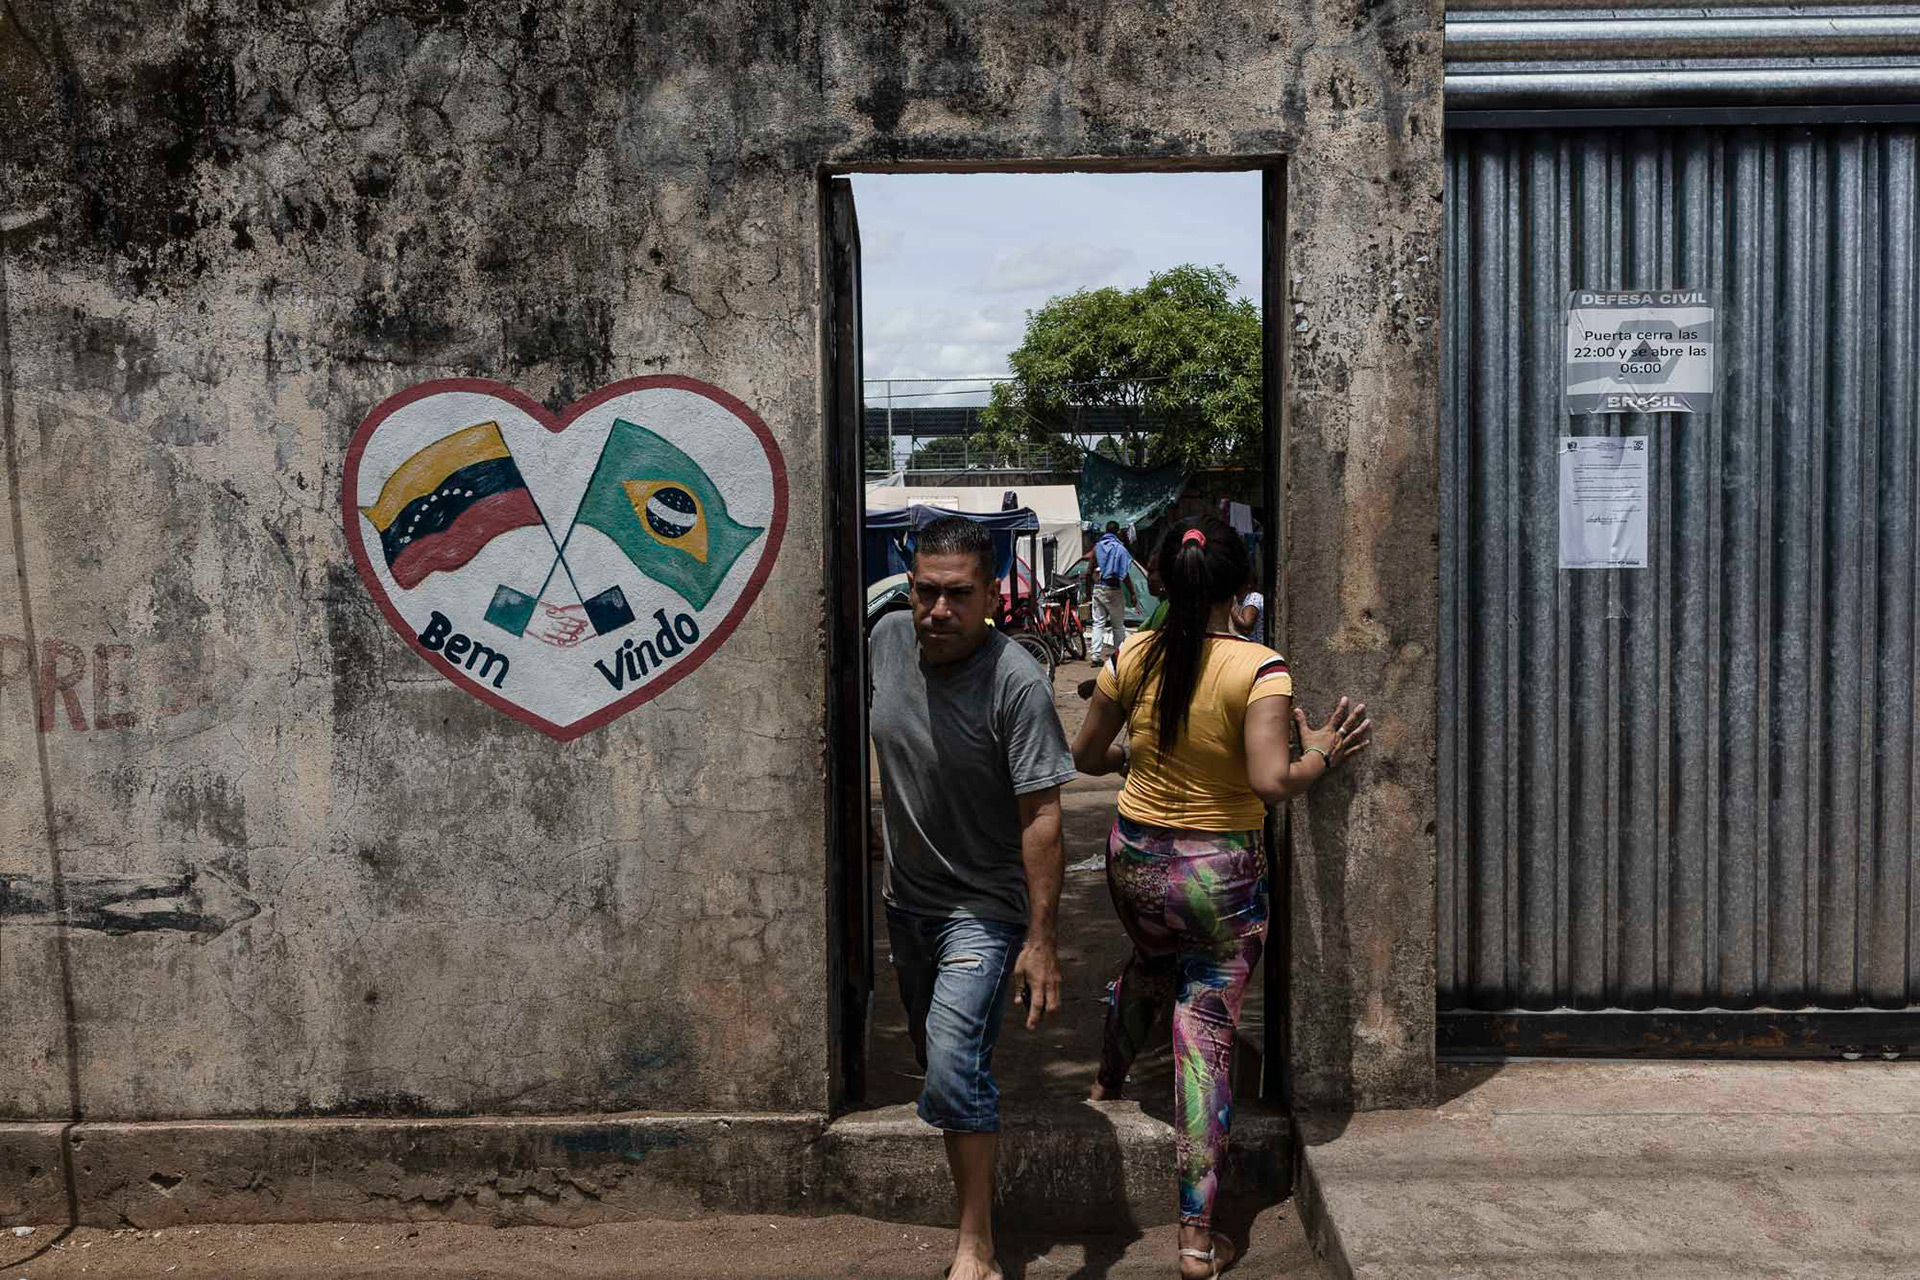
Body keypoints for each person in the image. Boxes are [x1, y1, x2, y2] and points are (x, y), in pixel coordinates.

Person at [1070, 515, 1370, 1280]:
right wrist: (1323, 752)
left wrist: (1140, 747)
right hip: (1221, 877)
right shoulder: (1261, 668)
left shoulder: (1132, 654)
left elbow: (1085, 755)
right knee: (1204, 1036)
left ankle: (1108, 1076)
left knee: (1150, 954)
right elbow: (1273, 782)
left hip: (1134, 862)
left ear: (1161, 580)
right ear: (1242, 586)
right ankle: (1198, 1242)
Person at [868, 515, 1076, 1280]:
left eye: (959, 595)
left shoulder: (1015, 680)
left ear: (992, 595)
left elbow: (1044, 815)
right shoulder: (883, 641)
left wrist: (1042, 938)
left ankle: (975, 1248)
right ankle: (976, 1196)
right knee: (940, 1061)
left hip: (984, 911)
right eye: (926, 592)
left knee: (955, 1064)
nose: (939, 612)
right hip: (907, 902)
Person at [1079, 521, 1138, 665]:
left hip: (1098, 588)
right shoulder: (1119, 548)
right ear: (1117, 532)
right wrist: (1132, 593)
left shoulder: (1097, 547)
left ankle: (1095, 656)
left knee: (1098, 623)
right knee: (1118, 625)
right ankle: (1120, 654)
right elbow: (1124, 575)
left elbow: (1088, 572)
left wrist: (1087, 594)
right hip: (1113, 589)